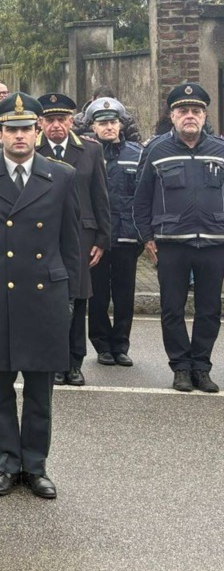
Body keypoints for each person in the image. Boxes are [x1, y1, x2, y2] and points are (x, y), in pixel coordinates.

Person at [0, 93, 81, 499]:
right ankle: (7, 465)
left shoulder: (61, 176)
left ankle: (36, 466)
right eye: (10, 129)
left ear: (38, 132)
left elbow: (71, 243)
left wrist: (71, 298)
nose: (19, 136)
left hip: (45, 296)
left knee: (39, 392)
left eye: (26, 129)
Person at [133, 83, 224, 393]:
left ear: (204, 115)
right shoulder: (156, 150)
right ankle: (180, 368)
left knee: (210, 310)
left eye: (196, 111)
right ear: (172, 115)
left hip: (214, 243)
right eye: (183, 111)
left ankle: (201, 366)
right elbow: (141, 198)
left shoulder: (220, 150)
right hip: (170, 244)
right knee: (172, 309)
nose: (190, 116)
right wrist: (147, 237)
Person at [37, 93, 110, 387]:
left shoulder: (90, 151)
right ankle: (54, 361)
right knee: (49, 299)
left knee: (78, 299)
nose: (56, 125)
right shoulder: (34, 150)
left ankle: (74, 362)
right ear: (40, 123)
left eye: (61, 119)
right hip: (43, 235)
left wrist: (103, 238)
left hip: (81, 234)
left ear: (71, 121)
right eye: (50, 120)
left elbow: (100, 196)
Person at [85, 97, 143, 367]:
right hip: (97, 237)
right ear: (93, 127)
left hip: (127, 235)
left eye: (113, 122)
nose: (109, 127)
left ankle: (121, 344)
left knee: (124, 294)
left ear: (121, 125)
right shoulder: (87, 153)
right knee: (97, 294)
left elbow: (143, 196)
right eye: (102, 123)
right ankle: (101, 345)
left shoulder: (137, 153)